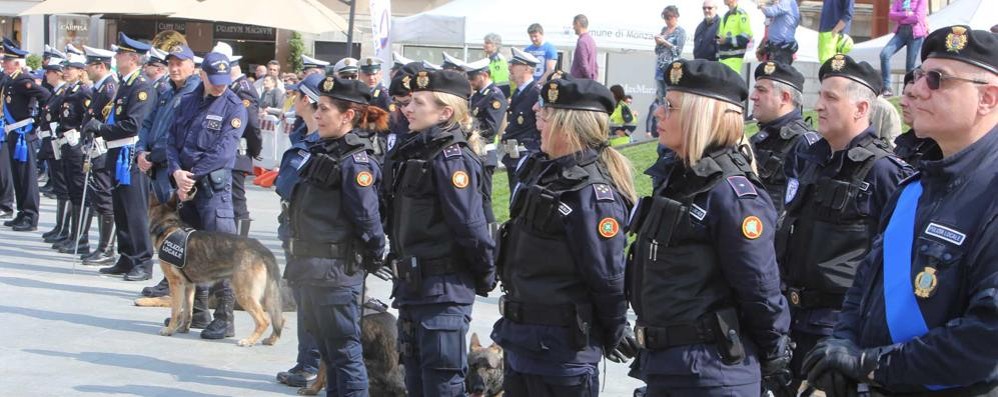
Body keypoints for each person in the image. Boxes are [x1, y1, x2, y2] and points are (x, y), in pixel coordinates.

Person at [802, 26, 998, 396]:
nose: (918, 88)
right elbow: (864, 285)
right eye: (920, 75)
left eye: (937, 80)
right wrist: (841, 346)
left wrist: (870, 365)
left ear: (987, 98)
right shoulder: (915, 187)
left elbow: (987, 338)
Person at [631, 59, 792, 396]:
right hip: (670, 366)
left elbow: (759, 288)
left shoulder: (730, 192)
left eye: (671, 106)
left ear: (699, 115)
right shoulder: (679, 180)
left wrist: (775, 353)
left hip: (711, 372)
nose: (659, 113)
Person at [778, 54, 914, 392]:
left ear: (862, 108)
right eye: (820, 96)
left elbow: (897, 265)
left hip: (839, 331)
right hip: (794, 324)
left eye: (831, 98)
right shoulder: (815, 160)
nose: (819, 105)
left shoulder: (884, 171)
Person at [491, 76, 633, 396]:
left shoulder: (592, 193)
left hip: (562, 353)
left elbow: (607, 277)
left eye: (546, 115)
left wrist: (612, 331)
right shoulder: (545, 174)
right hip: (523, 342)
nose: (538, 122)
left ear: (568, 126)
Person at [387, 69, 495, 396]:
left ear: (445, 112)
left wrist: (484, 272)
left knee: (442, 385)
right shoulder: (418, 150)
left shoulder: (452, 157)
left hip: (442, 292)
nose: (408, 109)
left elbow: (471, 227)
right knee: (417, 383)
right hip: (414, 289)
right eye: (408, 102)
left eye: (418, 103)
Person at [280, 75, 387, 396]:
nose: (317, 115)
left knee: (344, 353)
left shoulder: (356, 160)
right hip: (312, 269)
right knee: (329, 352)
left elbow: (368, 220)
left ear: (348, 116)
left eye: (325, 109)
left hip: (336, 271)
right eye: (317, 107)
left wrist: (371, 255)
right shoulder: (325, 150)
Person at [166, 52, 248, 339]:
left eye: (223, 81)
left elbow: (223, 152)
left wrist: (191, 175)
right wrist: (177, 172)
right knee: (191, 249)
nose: (219, 86)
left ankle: (224, 318)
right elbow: (172, 141)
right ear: (202, 75)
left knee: (220, 252)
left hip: (214, 190)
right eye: (214, 81)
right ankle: (197, 310)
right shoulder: (188, 102)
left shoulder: (235, 107)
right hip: (186, 186)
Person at [82, 33, 156, 281]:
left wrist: (101, 129)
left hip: (130, 154)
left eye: (120, 54)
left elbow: (133, 125)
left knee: (135, 211)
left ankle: (143, 261)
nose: (116, 57)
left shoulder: (142, 86)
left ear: (132, 58)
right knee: (121, 209)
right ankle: (126, 257)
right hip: (117, 151)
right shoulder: (125, 83)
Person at [136, 44, 203, 299]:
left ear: (192, 66)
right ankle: (167, 277)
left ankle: (172, 280)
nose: (174, 68)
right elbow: (149, 123)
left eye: (180, 63)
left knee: (173, 228)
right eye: (171, 63)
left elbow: (181, 137)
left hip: (173, 168)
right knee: (162, 226)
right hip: (156, 166)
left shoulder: (194, 93)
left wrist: (153, 156)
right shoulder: (166, 90)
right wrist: (142, 150)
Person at [273, 72, 325, 388]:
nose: (292, 101)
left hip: (311, 236)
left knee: (312, 301)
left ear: (308, 100)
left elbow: (288, 186)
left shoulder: (317, 142)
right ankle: (307, 360)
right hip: (293, 229)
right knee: (304, 299)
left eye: (297, 96)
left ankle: (312, 364)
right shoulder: (303, 135)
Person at [749, 61, 819, 215]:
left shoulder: (805, 143)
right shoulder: (759, 138)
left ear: (784, 97)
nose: (753, 97)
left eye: (761, 90)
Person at [66, 46, 116, 261]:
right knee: (98, 196)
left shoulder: (109, 89)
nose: (85, 68)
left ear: (100, 66)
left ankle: (107, 248)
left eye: (89, 64)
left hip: (103, 148)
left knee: (105, 198)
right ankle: (101, 246)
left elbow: (106, 120)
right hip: (93, 148)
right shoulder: (99, 88)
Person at [2, 40, 51, 232]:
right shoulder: (10, 80)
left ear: (17, 63)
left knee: (27, 176)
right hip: (13, 131)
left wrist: (37, 120)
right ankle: (22, 212)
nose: (4, 63)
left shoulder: (23, 80)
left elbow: (46, 96)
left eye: (8, 60)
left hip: (24, 133)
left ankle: (31, 216)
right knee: (18, 175)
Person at [215, 43, 261, 238]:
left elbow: (251, 125)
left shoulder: (243, 88)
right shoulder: (233, 87)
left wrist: (254, 149)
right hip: (228, 150)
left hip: (237, 151)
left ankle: (241, 243)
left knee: (236, 200)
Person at [51, 52, 93, 257]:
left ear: (80, 71)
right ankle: (72, 234)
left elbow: (89, 117)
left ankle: (81, 238)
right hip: (66, 143)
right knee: (71, 189)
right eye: (65, 68)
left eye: (70, 68)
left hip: (76, 145)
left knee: (79, 190)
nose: (66, 71)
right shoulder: (69, 90)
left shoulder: (83, 92)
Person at [500, 48, 542, 192]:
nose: (510, 67)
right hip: (514, 156)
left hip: (528, 156)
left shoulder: (536, 93)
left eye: (515, 64)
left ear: (526, 68)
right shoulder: (519, 92)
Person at [38, 55, 70, 243]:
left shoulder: (64, 92)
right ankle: (60, 226)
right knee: (60, 188)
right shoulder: (57, 92)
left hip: (58, 144)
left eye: (49, 71)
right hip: (52, 145)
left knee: (64, 188)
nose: (46, 74)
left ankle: (64, 228)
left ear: (57, 74)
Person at [879, 0, 927, 97]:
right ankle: (887, 87)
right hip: (901, 32)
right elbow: (891, 15)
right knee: (884, 54)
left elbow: (917, 17)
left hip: (916, 34)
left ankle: (907, 89)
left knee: (910, 66)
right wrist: (905, 14)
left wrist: (900, 18)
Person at [893, 70, 940, 167]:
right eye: (903, 94)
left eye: (912, 96)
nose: (902, 102)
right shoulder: (905, 142)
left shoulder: (941, 150)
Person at [654, 6, 686, 101]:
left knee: (670, 96)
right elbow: (657, 51)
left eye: (669, 17)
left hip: (672, 68)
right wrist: (658, 43)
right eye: (665, 18)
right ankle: (662, 115)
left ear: (676, 17)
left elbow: (678, 51)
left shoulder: (680, 31)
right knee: (661, 96)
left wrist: (664, 42)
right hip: (660, 67)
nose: (667, 21)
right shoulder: (664, 30)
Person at [758, 0, 801, 65]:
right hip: (775, 46)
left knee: (778, 72)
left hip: (782, 47)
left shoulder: (787, 2)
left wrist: (761, 6)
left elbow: (770, 12)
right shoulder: (787, 4)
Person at [717, 0, 753, 74]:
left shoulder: (741, 14)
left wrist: (727, 40)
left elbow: (747, 36)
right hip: (722, 59)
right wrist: (717, 38)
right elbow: (719, 35)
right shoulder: (725, 15)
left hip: (734, 59)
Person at [570, 14, 598, 80]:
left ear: (578, 24)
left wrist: (589, 78)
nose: (573, 27)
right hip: (588, 81)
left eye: (574, 25)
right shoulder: (591, 40)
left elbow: (583, 64)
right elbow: (595, 64)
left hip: (580, 82)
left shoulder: (582, 42)